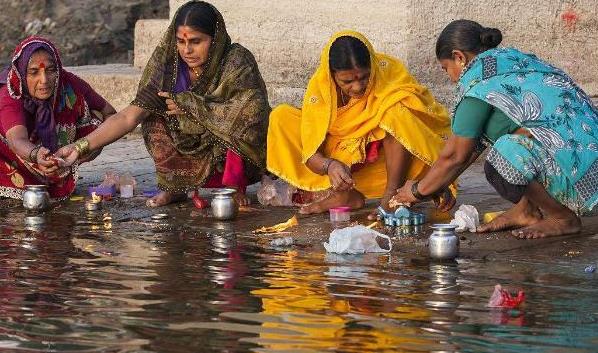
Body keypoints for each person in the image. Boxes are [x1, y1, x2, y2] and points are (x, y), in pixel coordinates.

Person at [390, 20, 598, 238]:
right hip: (586, 156)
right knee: (516, 140)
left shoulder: (479, 82)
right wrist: (439, 183)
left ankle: (563, 218)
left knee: (503, 157)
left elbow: (454, 156)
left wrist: (416, 191)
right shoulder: (510, 60)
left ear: (459, 57)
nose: (451, 78)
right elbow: (469, 145)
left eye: (446, 69)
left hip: (575, 169)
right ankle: (526, 210)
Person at [57, 1, 270, 207]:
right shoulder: (168, 66)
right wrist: (79, 147)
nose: (187, 50)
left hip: (229, 156)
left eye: (196, 41)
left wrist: (192, 107)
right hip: (186, 146)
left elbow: (255, 112)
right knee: (153, 114)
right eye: (181, 41)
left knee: (243, 113)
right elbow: (128, 116)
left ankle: (232, 187)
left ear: (215, 39)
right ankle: (175, 186)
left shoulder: (236, 61)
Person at [267, 30, 454, 215]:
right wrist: (330, 166)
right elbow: (310, 152)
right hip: (340, 159)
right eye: (346, 81)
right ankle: (342, 193)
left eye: (364, 77)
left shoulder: (387, 72)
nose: (357, 87)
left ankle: (392, 196)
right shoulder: (320, 87)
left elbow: (416, 121)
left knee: (395, 111)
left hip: (386, 159)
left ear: (371, 66)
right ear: (332, 75)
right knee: (281, 116)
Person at [0, 36, 113, 200]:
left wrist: (87, 146)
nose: (44, 80)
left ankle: (56, 172)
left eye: (51, 70)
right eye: (34, 72)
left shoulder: (69, 83)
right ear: (22, 74)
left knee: (97, 118)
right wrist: (37, 154)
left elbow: (110, 113)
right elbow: (17, 139)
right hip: (14, 155)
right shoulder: (10, 92)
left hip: (62, 154)